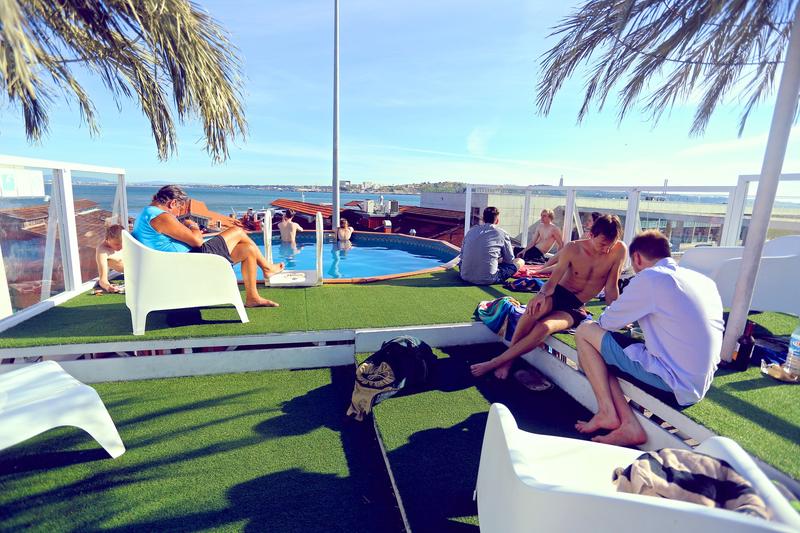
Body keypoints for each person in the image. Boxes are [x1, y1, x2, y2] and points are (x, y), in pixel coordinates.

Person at [573, 230, 723, 446]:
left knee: (585, 332)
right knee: (607, 353)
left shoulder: (651, 277)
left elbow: (607, 322)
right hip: (698, 384)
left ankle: (612, 414)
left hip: (673, 384)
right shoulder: (703, 281)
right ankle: (623, 419)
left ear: (637, 258)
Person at [471, 214, 627, 382]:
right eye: (602, 244)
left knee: (544, 328)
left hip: (575, 307)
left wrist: (618, 315)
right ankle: (508, 361)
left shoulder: (619, 250)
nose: (606, 249)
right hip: (557, 294)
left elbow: (611, 287)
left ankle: (496, 362)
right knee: (533, 311)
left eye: (610, 244)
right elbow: (552, 282)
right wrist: (541, 295)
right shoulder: (573, 248)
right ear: (591, 235)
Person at [131, 185, 283, 308]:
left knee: (248, 250)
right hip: (190, 262)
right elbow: (197, 241)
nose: (177, 214)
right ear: (172, 203)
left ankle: (252, 297)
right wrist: (193, 225)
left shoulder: (146, 213)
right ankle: (267, 268)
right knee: (237, 231)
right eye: (179, 209)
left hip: (180, 262)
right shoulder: (161, 216)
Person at [459, 207, 524, 285]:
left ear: (483, 219)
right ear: (497, 220)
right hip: (489, 278)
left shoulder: (471, 231)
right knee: (520, 261)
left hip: (465, 275)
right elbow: (509, 260)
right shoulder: (501, 233)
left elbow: (462, 255)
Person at [95, 224, 125, 293]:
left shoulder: (127, 241)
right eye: (117, 244)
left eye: (122, 243)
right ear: (107, 240)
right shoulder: (103, 251)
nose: (121, 247)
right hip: (127, 274)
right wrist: (108, 287)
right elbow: (102, 279)